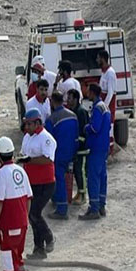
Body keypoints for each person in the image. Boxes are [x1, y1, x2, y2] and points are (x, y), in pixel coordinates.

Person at [0, 137, 32, 271]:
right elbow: (28, 198)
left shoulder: (1, 174)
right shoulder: (20, 171)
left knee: (8, 259)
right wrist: (25, 218)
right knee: (18, 256)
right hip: (22, 223)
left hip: (8, 225)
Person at [19, 108, 56, 259]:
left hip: (45, 183)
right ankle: (38, 249)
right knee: (32, 215)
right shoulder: (27, 137)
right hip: (31, 183)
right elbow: (23, 154)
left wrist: (29, 161)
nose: (26, 127)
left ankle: (49, 237)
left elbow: (48, 159)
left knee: (34, 213)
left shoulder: (46, 138)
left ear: (37, 123)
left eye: (29, 124)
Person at [79, 84, 111, 220]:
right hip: (104, 146)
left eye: (88, 91)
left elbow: (95, 128)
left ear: (92, 93)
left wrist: (87, 127)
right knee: (102, 176)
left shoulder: (97, 108)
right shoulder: (105, 107)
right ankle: (101, 205)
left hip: (96, 147)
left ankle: (94, 209)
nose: (86, 93)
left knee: (93, 178)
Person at [45, 91, 79, 220]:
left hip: (58, 155)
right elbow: (76, 136)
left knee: (59, 180)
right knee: (66, 179)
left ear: (53, 102)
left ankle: (62, 209)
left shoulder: (51, 119)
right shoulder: (73, 115)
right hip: (71, 153)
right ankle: (60, 201)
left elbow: (48, 140)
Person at [68, 89, 90, 205]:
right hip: (76, 147)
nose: (68, 100)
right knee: (76, 171)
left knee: (80, 171)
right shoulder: (74, 111)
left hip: (82, 148)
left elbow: (83, 131)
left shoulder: (81, 112)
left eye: (70, 98)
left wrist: (78, 144)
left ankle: (83, 195)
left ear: (76, 99)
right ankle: (79, 193)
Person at [97, 50, 116, 153]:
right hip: (104, 105)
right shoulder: (104, 72)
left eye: (98, 58)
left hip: (108, 107)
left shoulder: (110, 73)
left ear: (103, 59)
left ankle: (110, 152)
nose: (96, 60)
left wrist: (104, 107)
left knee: (109, 130)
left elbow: (110, 93)